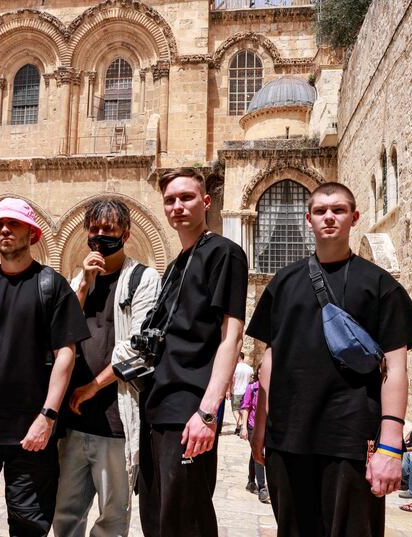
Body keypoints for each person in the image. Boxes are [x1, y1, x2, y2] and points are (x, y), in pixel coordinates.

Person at [247, 182, 412, 536]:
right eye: (320, 211)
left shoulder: (380, 286)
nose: (329, 217)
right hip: (288, 440)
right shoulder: (282, 283)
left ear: (354, 217)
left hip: (351, 440)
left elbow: (395, 366)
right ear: (308, 219)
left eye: (339, 210)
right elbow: (270, 359)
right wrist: (260, 428)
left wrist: (391, 444)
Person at [0, 197, 90, 537]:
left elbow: (66, 353)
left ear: (32, 233)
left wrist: (47, 417)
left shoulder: (52, 287)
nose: (5, 229)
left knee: (29, 523)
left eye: (14, 223)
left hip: (31, 434)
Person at [138, 167, 248, 537]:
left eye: (186, 198)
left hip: (189, 408)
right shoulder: (173, 267)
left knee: (186, 520)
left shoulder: (224, 253)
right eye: (170, 200)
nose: (177, 206)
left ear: (206, 202)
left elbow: (231, 335)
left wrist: (207, 411)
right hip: (157, 406)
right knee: (156, 517)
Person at [53, 198, 160, 537]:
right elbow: (60, 334)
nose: (100, 236)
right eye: (94, 229)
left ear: (125, 234)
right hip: (73, 423)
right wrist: (83, 284)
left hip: (116, 423)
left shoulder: (142, 279)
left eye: (109, 230)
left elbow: (140, 349)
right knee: (65, 515)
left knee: (112, 521)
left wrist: (93, 386)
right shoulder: (77, 281)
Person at [239, 368, 268, 503]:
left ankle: (251, 482)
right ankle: (262, 489)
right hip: (252, 426)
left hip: (267, 427)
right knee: (259, 451)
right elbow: (246, 407)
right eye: (261, 371)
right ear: (258, 373)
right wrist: (243, 427)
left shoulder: (271, 388)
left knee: (255, 452)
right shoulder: (252, 388)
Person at [229, 353, 253, 436]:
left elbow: (233, 381)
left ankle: (240, 424)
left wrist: (230, 391)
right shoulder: (250, 368)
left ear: (238, 357)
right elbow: (251, 380)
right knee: (243, 410)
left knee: (235, 410)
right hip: (246, 392)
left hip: (236, 391)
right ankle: (238, 428)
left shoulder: (235, 367)